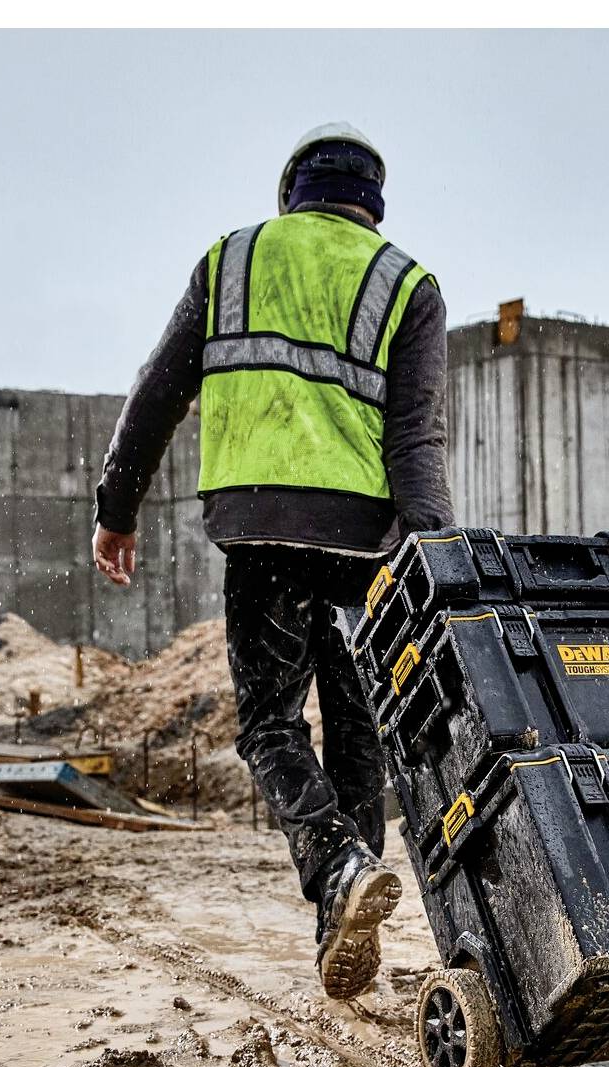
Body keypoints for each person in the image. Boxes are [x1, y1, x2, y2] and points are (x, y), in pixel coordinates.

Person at [90, 122, 454, 1001]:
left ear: (293, 188)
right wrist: (435, 549)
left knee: (268, 724)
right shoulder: (406, 282)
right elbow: (414, 436)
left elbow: (158, 389)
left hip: (259, 525)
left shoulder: (231, 261)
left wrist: (116, 506)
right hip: (364, 539)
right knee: (357, 726)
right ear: (372, 202)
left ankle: (336, 872)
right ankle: (345, 902)